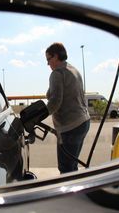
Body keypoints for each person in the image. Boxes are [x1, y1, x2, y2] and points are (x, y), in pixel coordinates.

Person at [45, 42, 90, 173]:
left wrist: (36, 116)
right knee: (72, 166)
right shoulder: (73, 70)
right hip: (83, 122)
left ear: (56, 56)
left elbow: (55, 101)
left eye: (49, 59)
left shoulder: (57, 74)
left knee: (65, 169)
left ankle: (70, 192)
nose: (48, 64)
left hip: (70, 127)